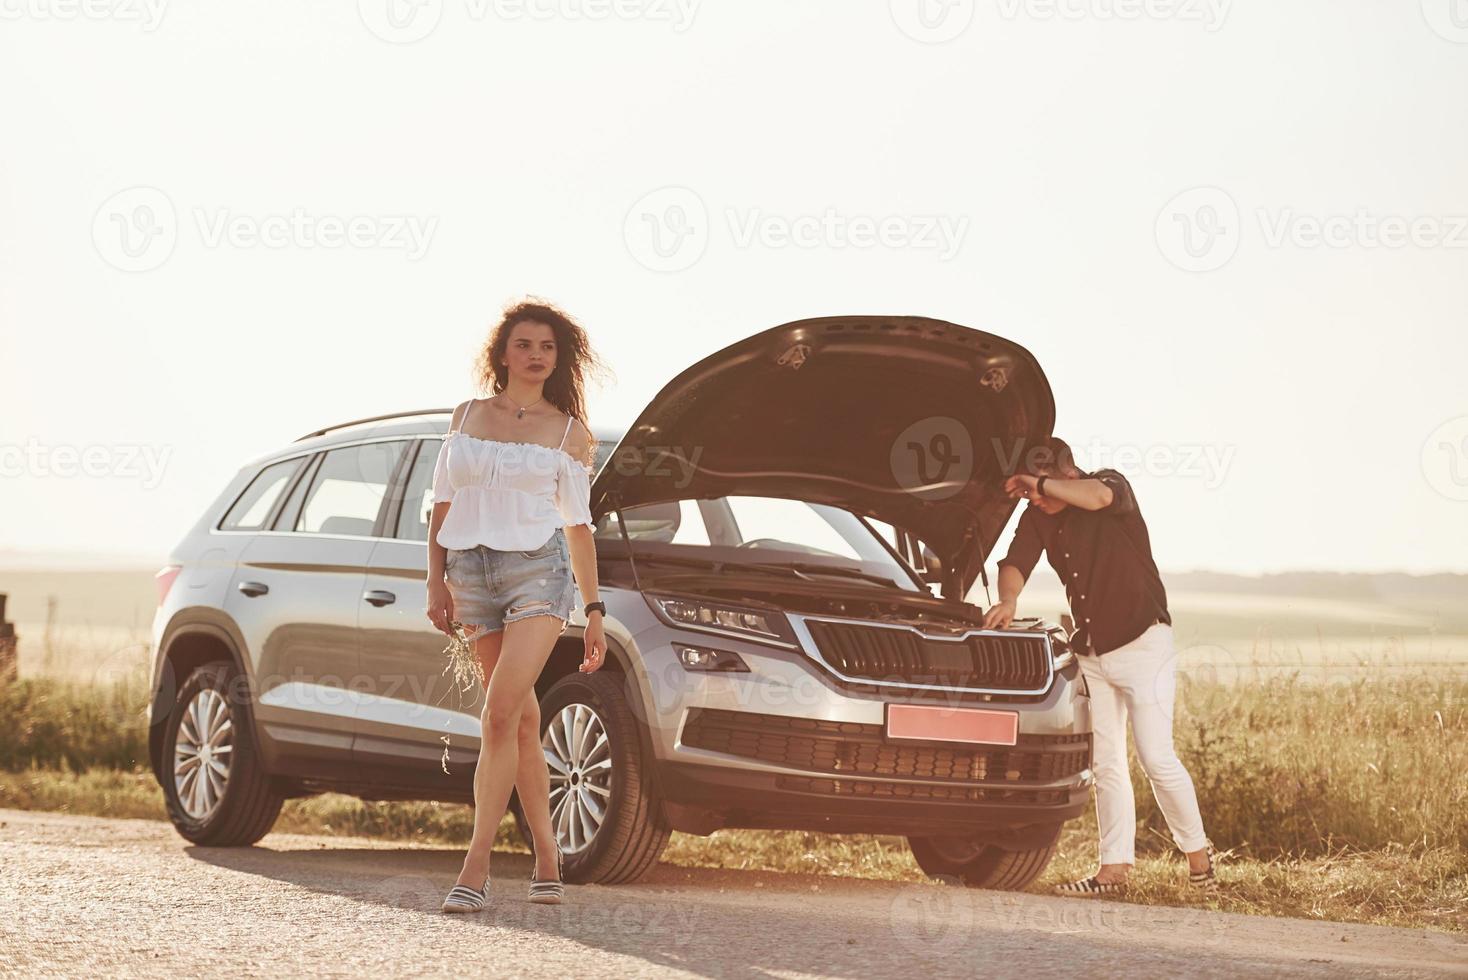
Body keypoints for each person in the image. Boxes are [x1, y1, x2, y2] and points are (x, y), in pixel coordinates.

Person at [424, 299, 610, 911]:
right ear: (503, 353)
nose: (536, 355)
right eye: (525, 344)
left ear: (559, 358)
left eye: (547, 347)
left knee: (501, 714)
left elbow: (578, 527)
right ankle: (549, 858)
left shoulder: (568, 433)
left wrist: (593, 611)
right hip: (471, 573)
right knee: (525, 722)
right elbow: (442, 505)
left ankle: (474, 869)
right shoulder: (467, 414)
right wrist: (436, 581)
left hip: (539, 575)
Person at [983, 437, 1217, 895]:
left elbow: (1097, 497)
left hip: (1143, 645)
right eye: (1031, 495)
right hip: (1093, 654)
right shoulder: (1038, 516)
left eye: (1041, 491)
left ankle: (1201, 865)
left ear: (1067, 475)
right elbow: (1014, 563)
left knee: (1156, 758)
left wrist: (1040, 482)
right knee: (1107, 763)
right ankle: (1114, 872)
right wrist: (1008, 600)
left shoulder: (1109, 486)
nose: (1037, 502)